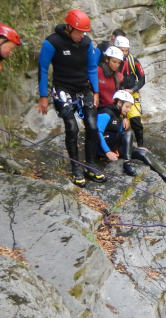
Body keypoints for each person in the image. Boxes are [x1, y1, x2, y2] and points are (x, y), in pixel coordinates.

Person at [37, 9, 104, 187]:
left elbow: (92, 68)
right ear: (69, 28)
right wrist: (43, 96)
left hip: (83, 88)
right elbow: (43, 69)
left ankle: (90, 165)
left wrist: (96, 92)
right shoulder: (52, 42)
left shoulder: (86, 43)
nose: (82, 35)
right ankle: (76, 168)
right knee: (72, 127)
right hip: (62, 89)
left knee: (92, 125)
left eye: (84, 32)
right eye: (79, 32)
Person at [96, 90, 166, 187]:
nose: (128, 110)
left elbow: (119, 135)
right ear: (119, 103)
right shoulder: (106, 113)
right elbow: (97, 132)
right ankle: (127, 163)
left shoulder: (119, 115)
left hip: (114, 147)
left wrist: (130, 148)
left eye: (130, 107)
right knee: (128, 132)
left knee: (143, 153)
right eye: (127, 106)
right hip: (102, 149)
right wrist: (107, 151)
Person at [115, 35, 146, 148]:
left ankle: (141, 146)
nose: (124, 53)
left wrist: (133, 90)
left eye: (126, 50)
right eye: (122, 50)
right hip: (117, 96)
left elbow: (142, 79)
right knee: (118, 123)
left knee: (136, 122)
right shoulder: (112, 62)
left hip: (131, 95)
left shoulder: (133, 61)